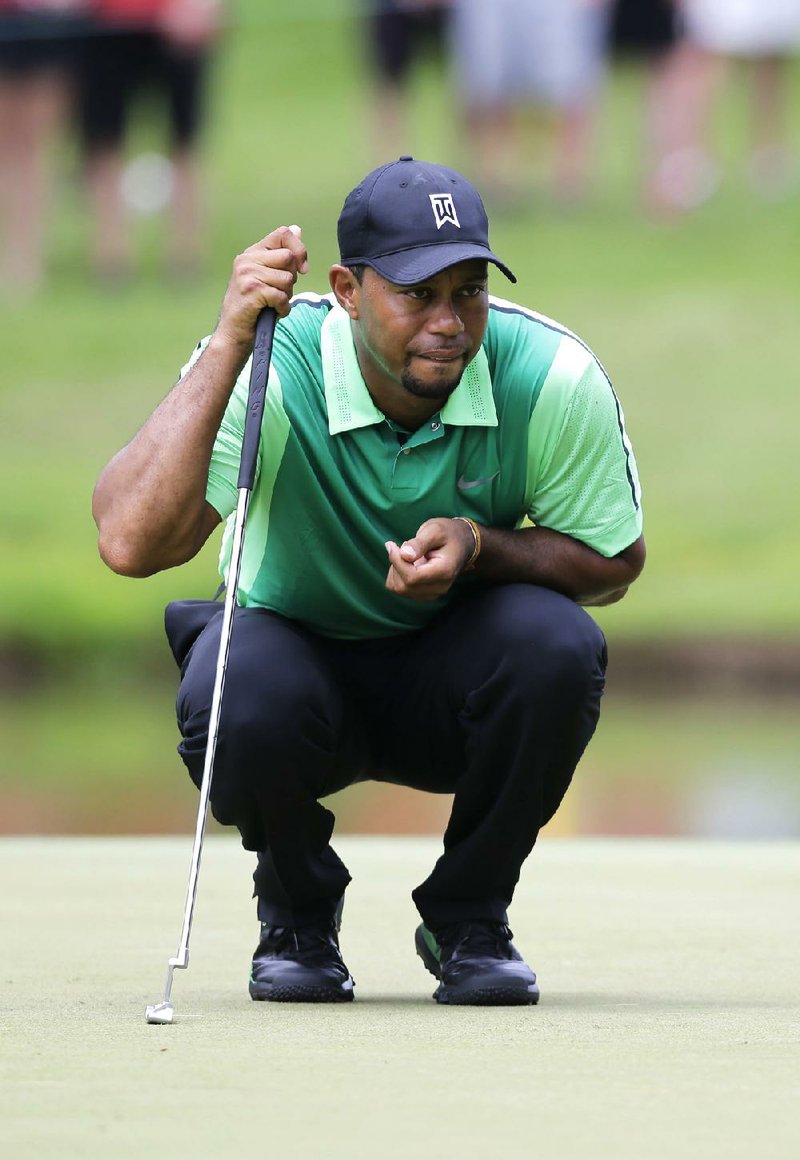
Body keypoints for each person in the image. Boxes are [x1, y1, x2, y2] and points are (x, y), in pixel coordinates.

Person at [93, 157, 645, 1007]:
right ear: (348, 290)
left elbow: (614, 561)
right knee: (231, 683)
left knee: (559, 646)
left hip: (452, 681)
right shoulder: (275, 361)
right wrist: (231, 339)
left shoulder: (548, 373)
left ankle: (469, 916)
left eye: (468, 291)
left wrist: (478, 544)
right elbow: (131, 543)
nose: (451, 323)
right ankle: (296, 912)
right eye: (417, 295)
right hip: (294, 671)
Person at [75, 0, 222, 282]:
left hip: (179, 14)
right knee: (102, 137)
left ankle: (186, 257)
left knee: (186, 138)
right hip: (103, 17)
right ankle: (111, 258)